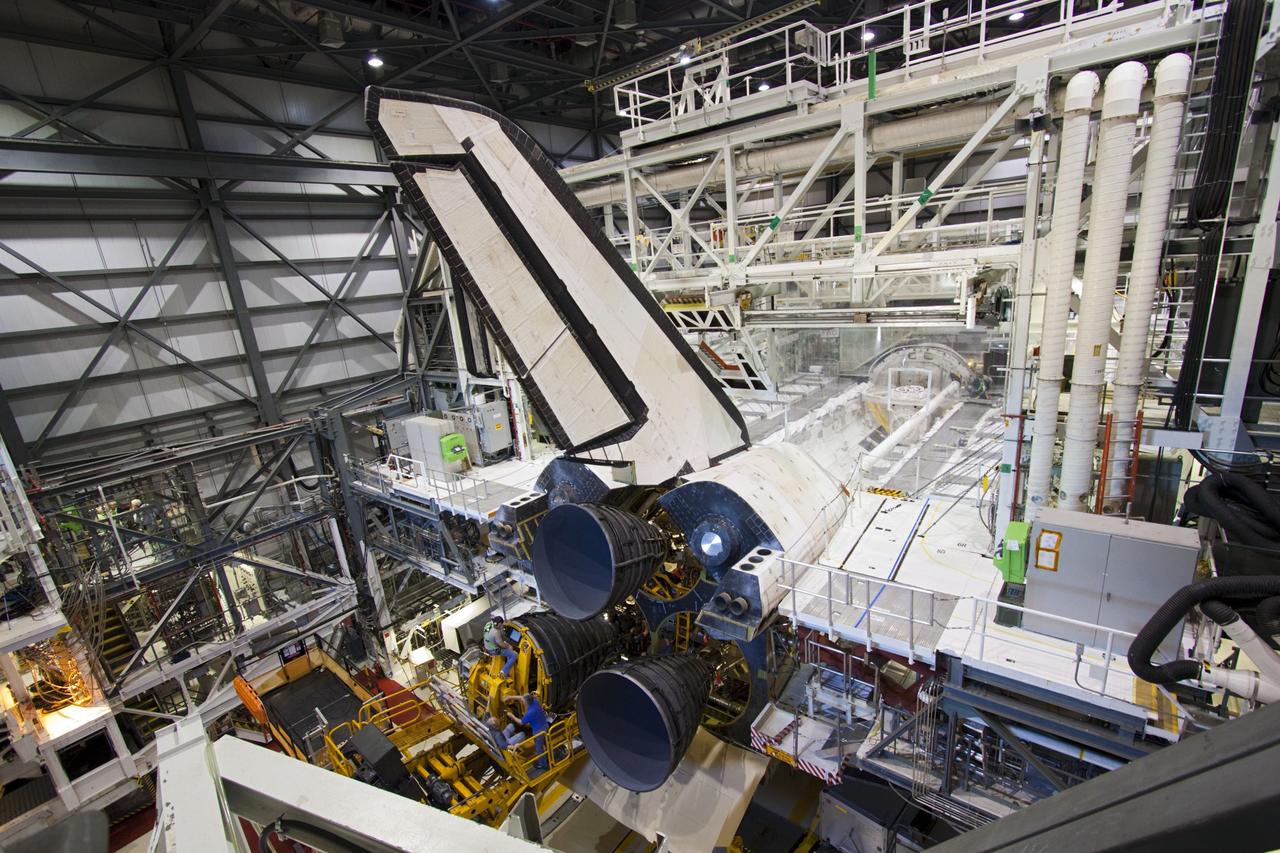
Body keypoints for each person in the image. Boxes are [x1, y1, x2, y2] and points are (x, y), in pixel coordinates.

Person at [508, 693, 549, 773]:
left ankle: (543, 765)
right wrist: (510, 696)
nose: (522, 702)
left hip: (539, 731)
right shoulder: (535, 701)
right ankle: (548, 754)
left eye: (523, 701)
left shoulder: (530, 712)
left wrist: (511, 715)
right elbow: (521, 698)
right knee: (545, 742)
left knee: (538, 747)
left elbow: (521, 722)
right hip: (545, 725)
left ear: (526, 702)